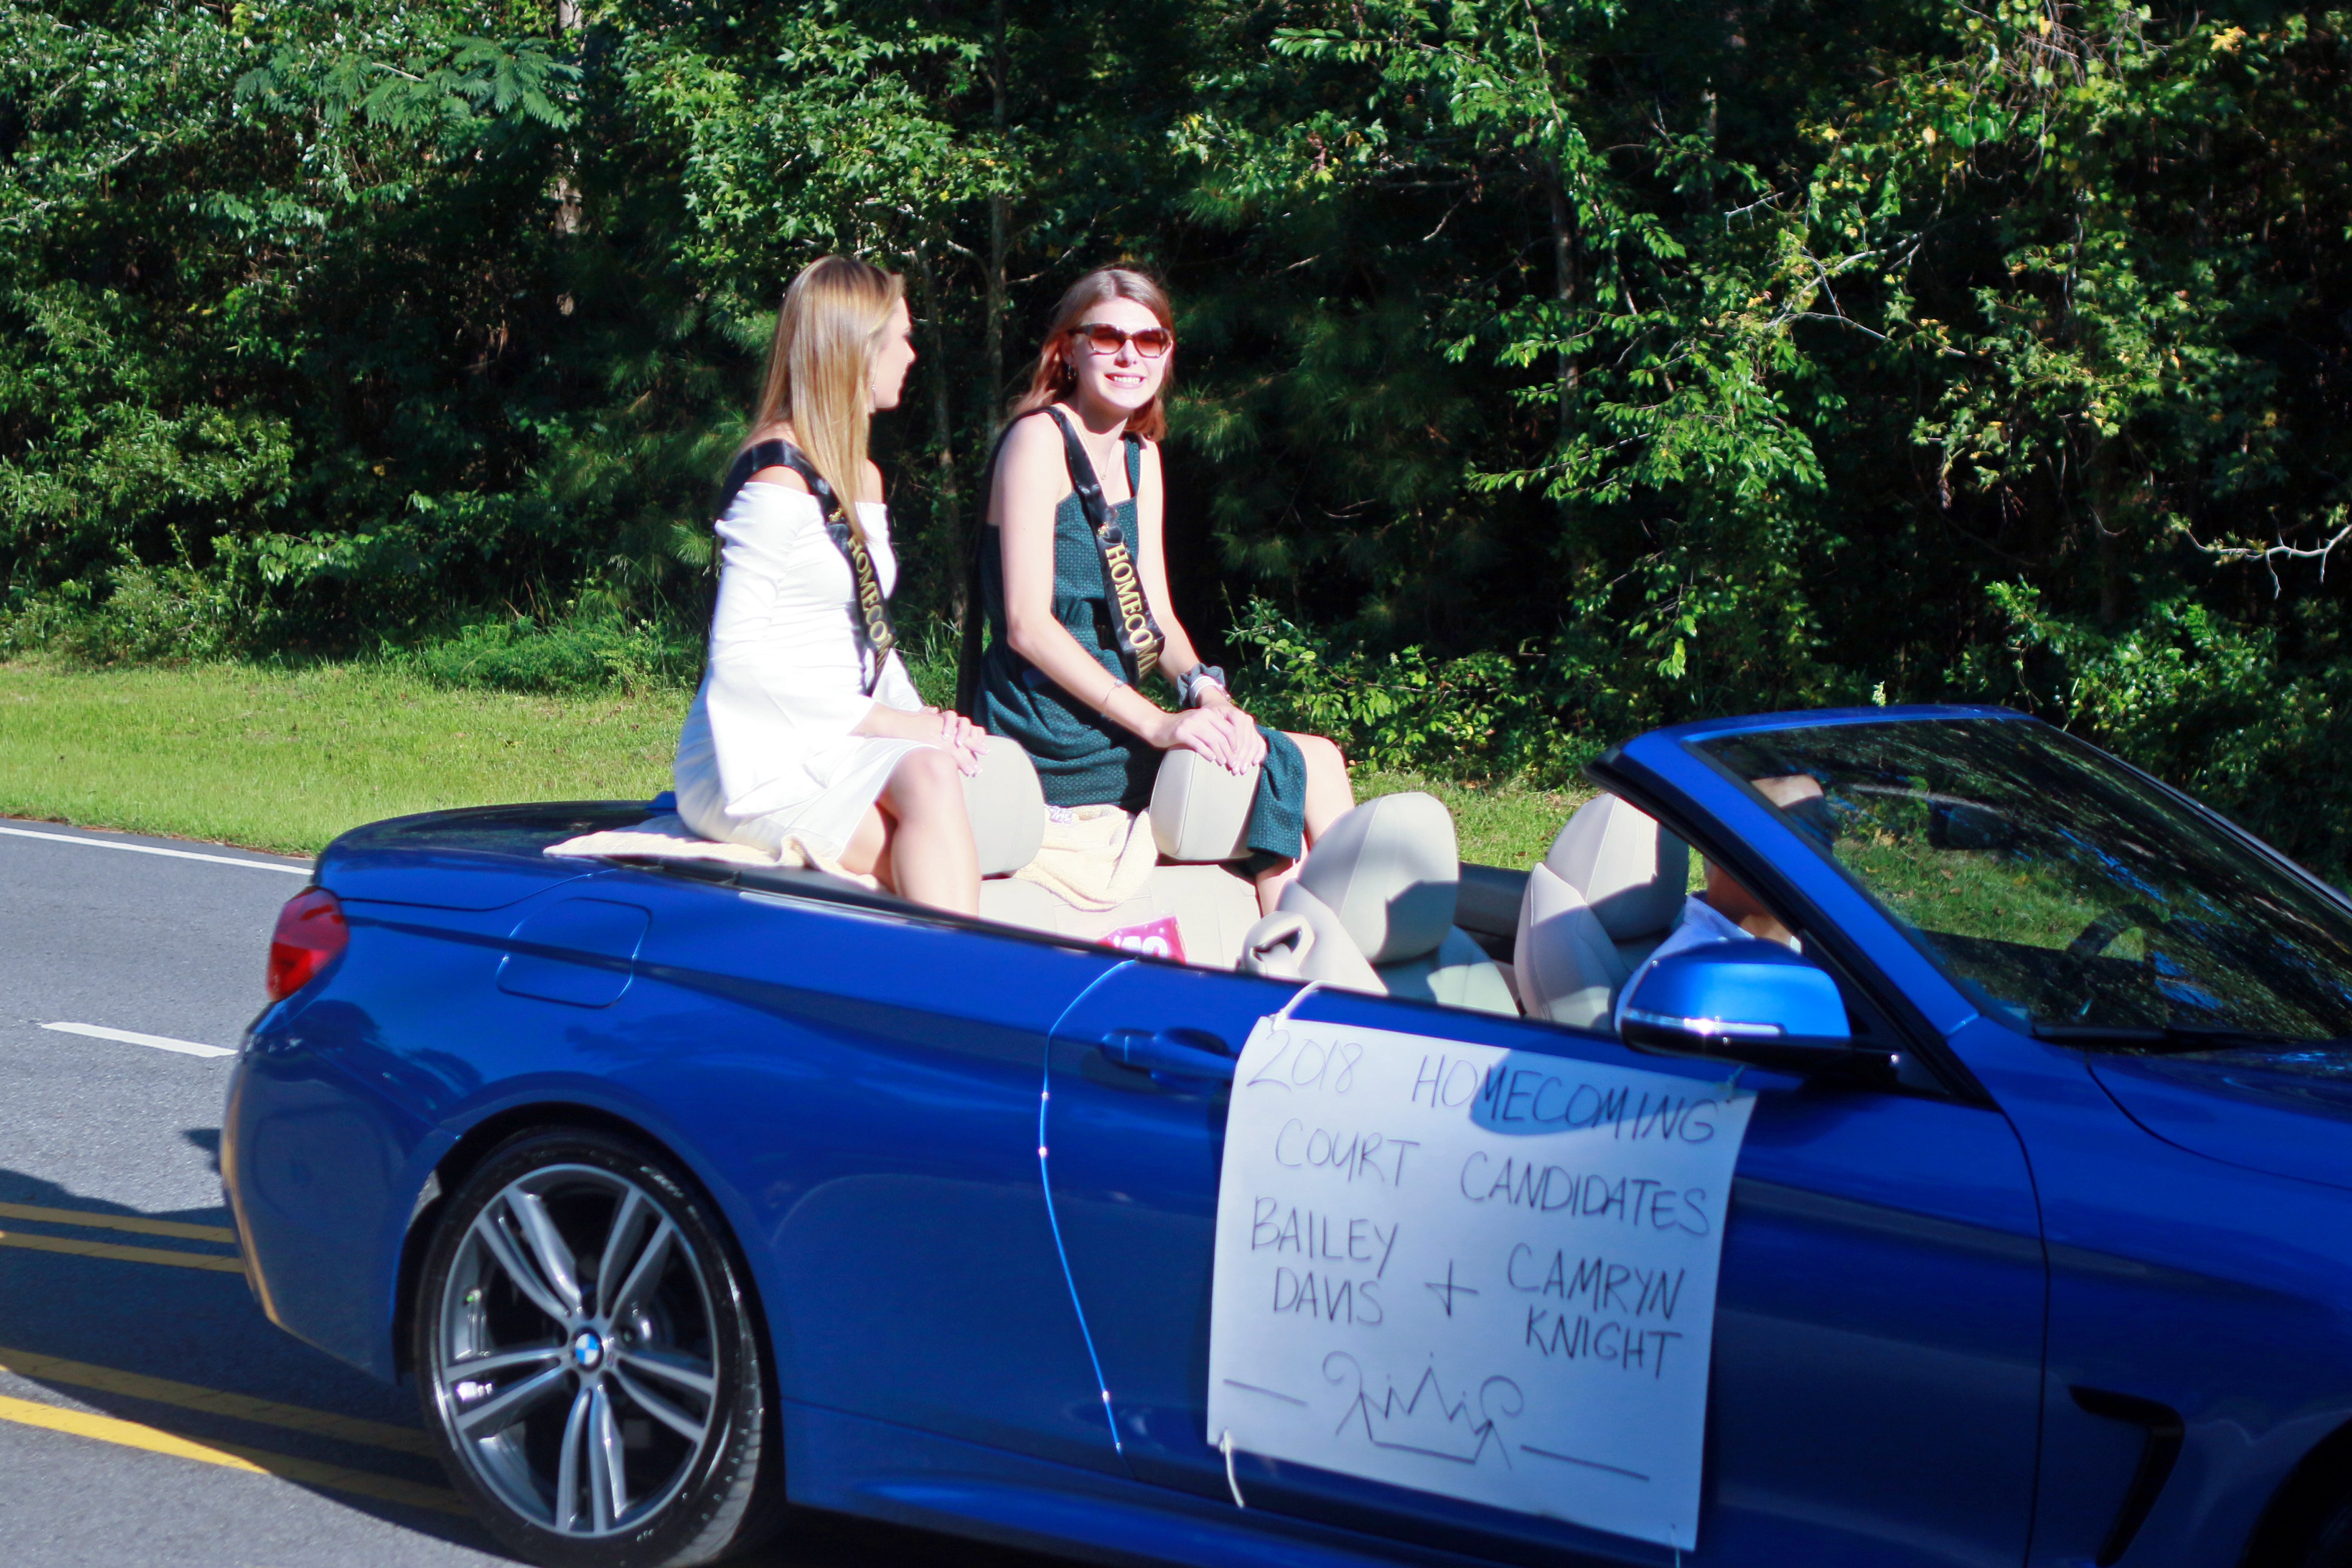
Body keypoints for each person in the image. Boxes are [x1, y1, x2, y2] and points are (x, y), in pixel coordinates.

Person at [966, 266, 1352, 912]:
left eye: (1151, 341)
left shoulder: (1143, 456)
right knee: (1302, 763)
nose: (1129, 356)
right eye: (1109, 336)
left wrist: (1204, 692)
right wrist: (1158, 725)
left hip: (1114, 715)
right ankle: (1316, 965)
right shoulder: (1037, 441)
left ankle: (1315, 954)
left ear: (1169, 354)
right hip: (1047, 729)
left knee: (1283, 757)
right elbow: (1026, 626)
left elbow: (1157, 616)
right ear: (1067, 348)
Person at [674, 255, 988, 916]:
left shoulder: (862, 478)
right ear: (852, 350)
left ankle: (951, 994)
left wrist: (931, 721)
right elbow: (736, 667)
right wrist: (898, 725)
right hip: (749, 758)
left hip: (836, 738)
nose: (912, 353)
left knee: (933, 783)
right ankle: (965, 998)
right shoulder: (776, 479)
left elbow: (868, 638)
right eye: (899, 337)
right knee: (922, 834)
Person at [1611, 775, 1822, 1033]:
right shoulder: (1694, 983)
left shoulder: (1814, 943)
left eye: (1826, 833)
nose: (1823, 854)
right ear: (1730, 852)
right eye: (1806, 831)